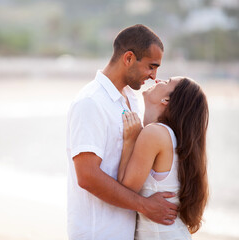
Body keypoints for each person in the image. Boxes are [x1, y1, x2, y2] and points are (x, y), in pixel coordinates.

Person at [66, 24, 178, 240]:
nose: (154, 76)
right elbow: (87, 176)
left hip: (124, 232)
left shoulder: (132, 98)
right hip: (97, 232)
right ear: (128, 58)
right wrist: (146, 206)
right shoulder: (91, 102)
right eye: (151, 66)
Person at [118, 76, 209, 239]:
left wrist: (129, 142)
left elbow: (124, 191)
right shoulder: (169, 137)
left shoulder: (155, 133)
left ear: (166, 99)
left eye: (166, 82)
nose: (158, 80)